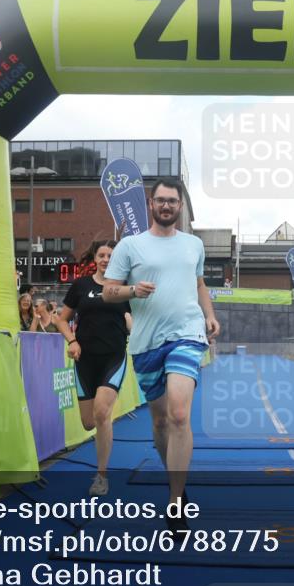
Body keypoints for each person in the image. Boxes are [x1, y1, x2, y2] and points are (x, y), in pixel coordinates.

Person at [103, 178, 220, 534]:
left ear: (180, 206)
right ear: (150, 205)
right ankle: (177, 483)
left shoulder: (193, 245)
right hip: (146, 342)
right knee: (160, 424)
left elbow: (199, 284)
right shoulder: (129, 246)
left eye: (172, 201)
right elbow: (108, 292)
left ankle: (174, 499)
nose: (167, 206)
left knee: (179, 414)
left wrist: (210, 315)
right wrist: (131, 290)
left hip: (187, 333)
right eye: (161, 200)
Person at [58, 240, 133, 496]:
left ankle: (101, 476)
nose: (106, 259)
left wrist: (133, 324)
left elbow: (135, 321)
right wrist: (72, 340)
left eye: (111, 256)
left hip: (113, 358)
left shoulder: (123, 290)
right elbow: (61, 319)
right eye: (102, 255)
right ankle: (101, 424)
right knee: (89, 422)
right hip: (85, 361)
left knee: (102, 414)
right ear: (95, 259)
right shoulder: (81, 286)